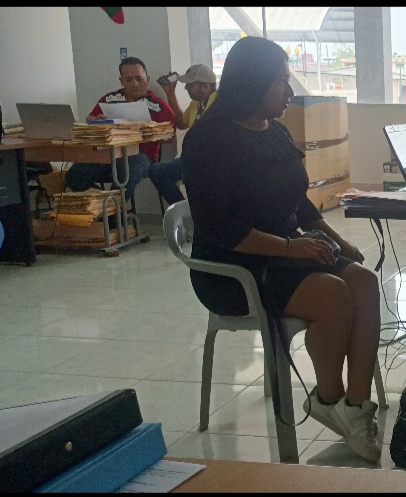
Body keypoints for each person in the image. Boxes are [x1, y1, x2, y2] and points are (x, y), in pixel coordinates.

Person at [182, 37, 383, 462]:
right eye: (281, 82)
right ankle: (329, 398)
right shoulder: (207, 139)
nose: (289, 92)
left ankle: (355, 408)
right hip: (234, 266)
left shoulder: (276, 131)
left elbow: (298, 201)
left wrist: (339, 240)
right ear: (252, 82)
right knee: (333, 294)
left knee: (364, 282)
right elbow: (219, 228)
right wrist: (292, 248)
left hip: (292, 249)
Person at [67, 57, 175, 201]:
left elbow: (171, 136)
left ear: (147, 79)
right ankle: (105, 206)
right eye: (128, 80)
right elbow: (90, 119)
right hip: (110, 155)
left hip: (141, 155)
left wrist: (152, 133)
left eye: (139, 78)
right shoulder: (110, 99)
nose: (135, 84)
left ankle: (113, 211)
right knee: (74, 174)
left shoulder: (159, 106)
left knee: (127, 171)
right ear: (121, 81)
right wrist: (98, 121)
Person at [148, 64, 218, 205]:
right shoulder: (196, 103)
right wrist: (170, 94)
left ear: (205, 87)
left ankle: (193, 211)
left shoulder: (219, 103)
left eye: (190, 85)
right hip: (193, 159)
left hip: (212, 162)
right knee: (157, 172)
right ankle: (184, 210)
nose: (186, 88)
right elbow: (181, 122)